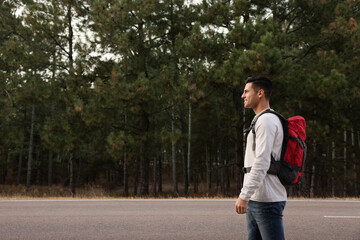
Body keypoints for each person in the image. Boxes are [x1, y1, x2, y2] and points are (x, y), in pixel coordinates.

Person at [235, 76, 287, 240]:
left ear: (260, 93)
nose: (243, 95)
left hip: (266, 200)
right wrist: (249, 196)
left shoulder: (266, 121)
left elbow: (262, 162)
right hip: (257, 199)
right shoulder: (260, 120)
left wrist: (244, 195)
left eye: (246, 91)